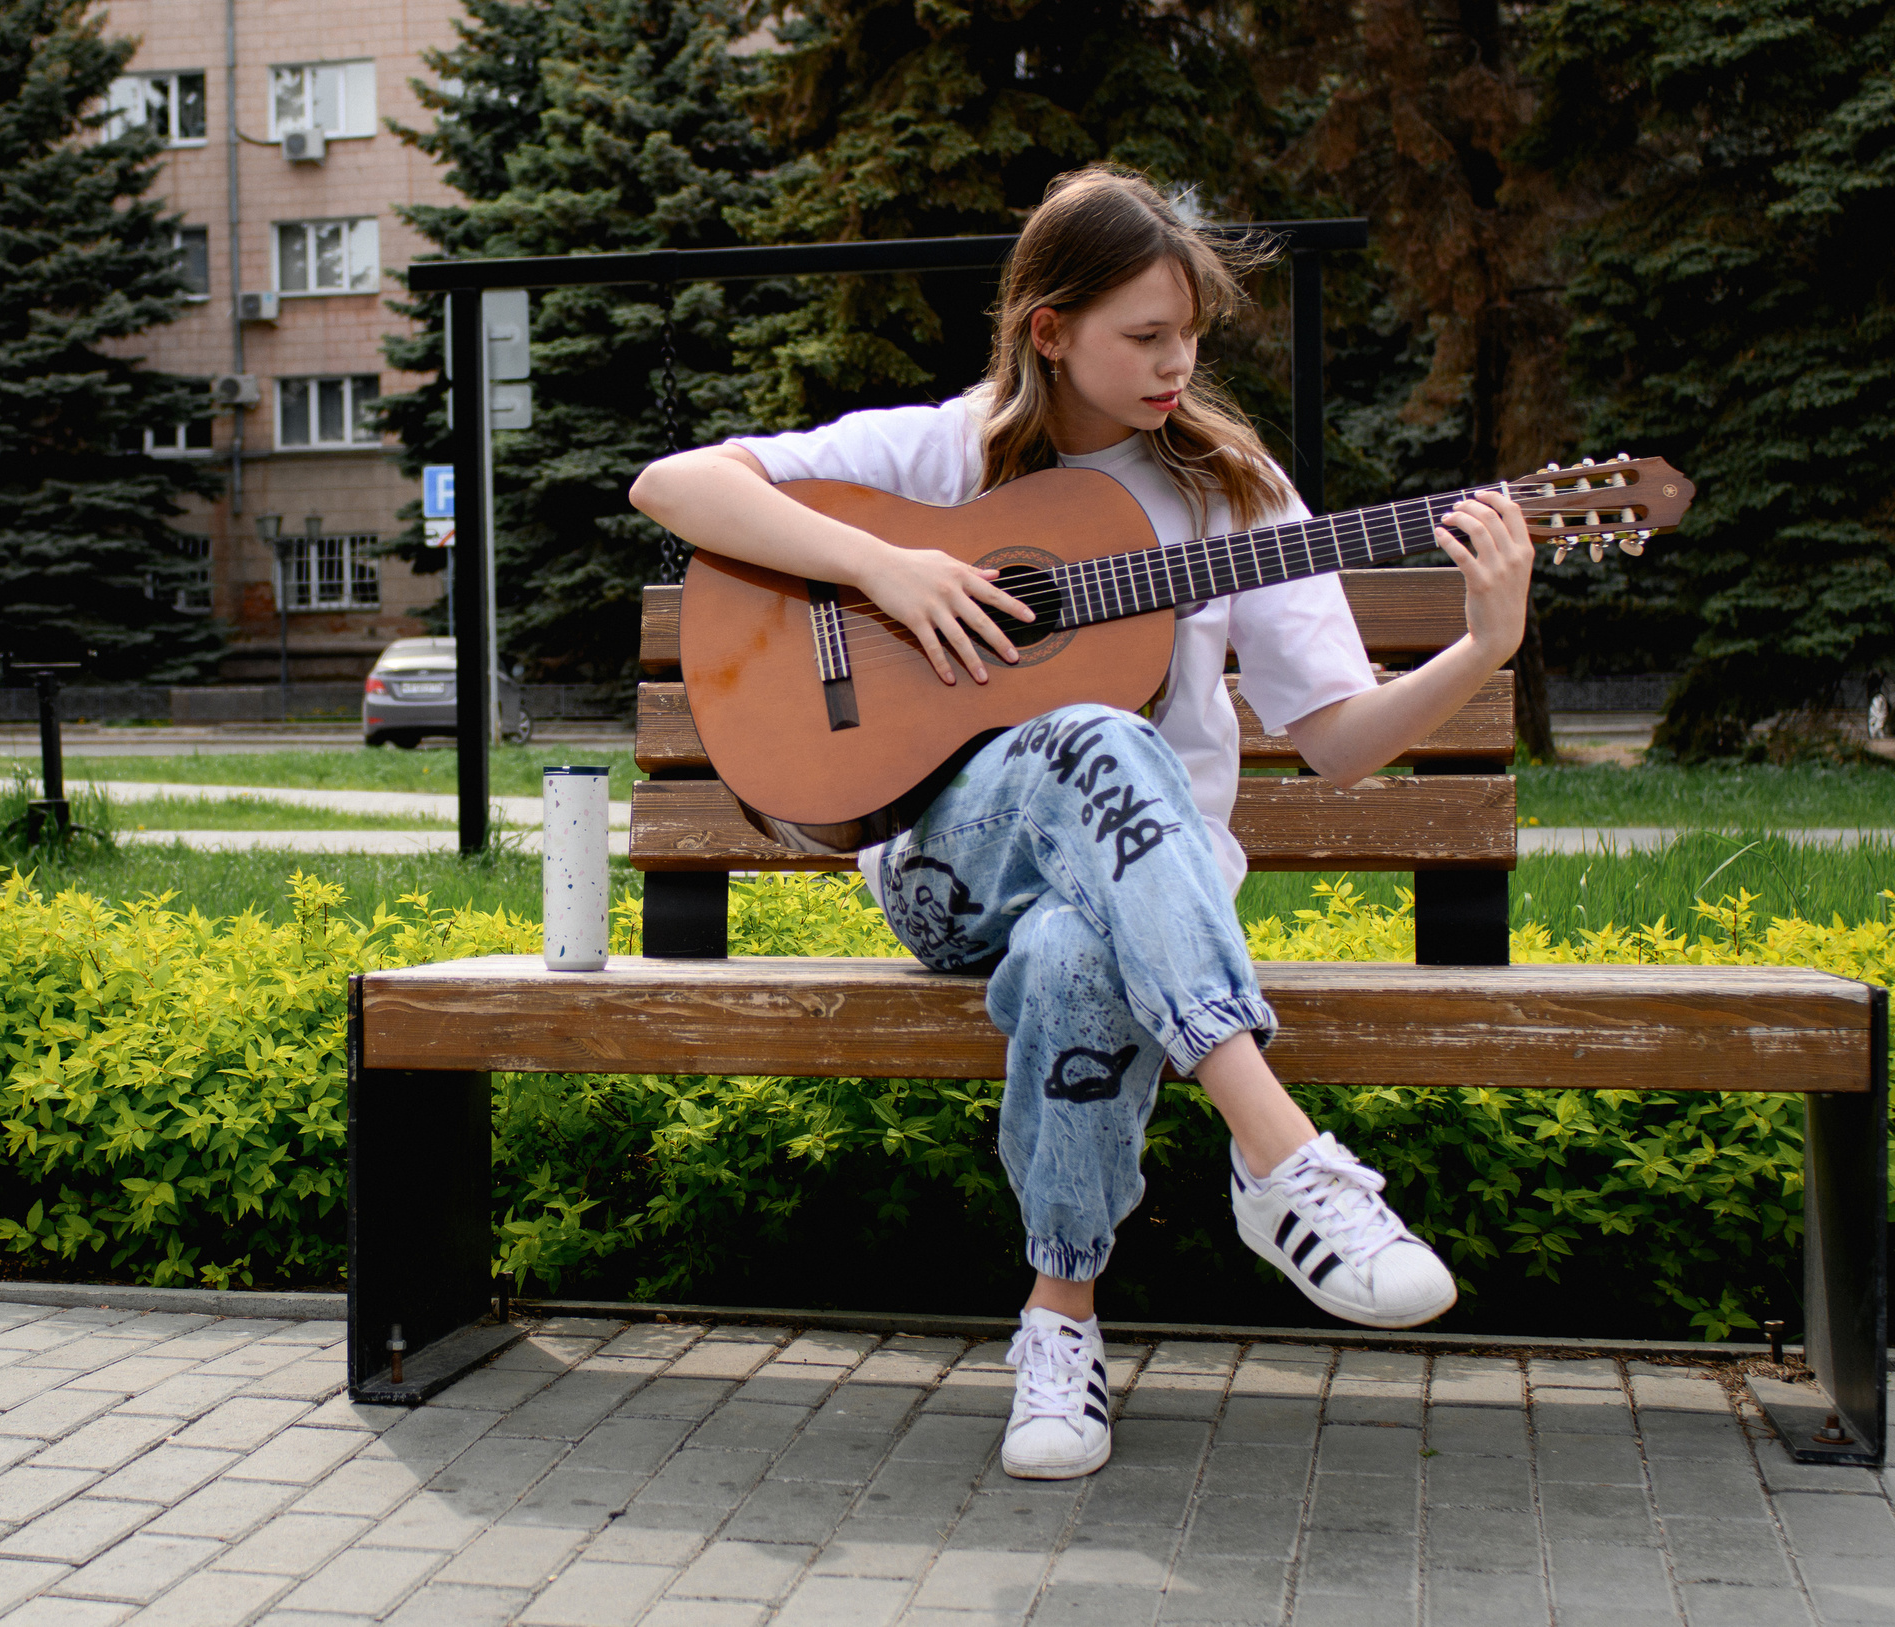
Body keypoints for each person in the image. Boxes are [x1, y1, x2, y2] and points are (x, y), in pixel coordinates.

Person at [627, 166, 1535, 1481]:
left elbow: (1337, 737)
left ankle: (1060, 1324)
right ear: (1048, 327)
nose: (1181, 364)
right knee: (1102, 734)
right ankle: (1281, 1155)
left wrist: (1479, 646)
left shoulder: (1233, 491)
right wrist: (889, 564)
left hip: (1133, 908)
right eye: (1146, 335)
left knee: (1071, 951)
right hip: (949, 874)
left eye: (1192, 335)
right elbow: (675, 483)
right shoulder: (944, 452)